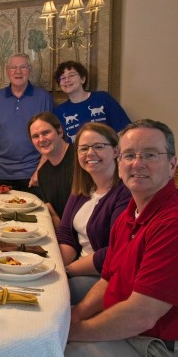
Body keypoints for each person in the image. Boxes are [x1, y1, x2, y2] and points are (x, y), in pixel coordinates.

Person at [65, 119, 178, 357]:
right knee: (41, 347)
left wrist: (73, 333)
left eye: (150, 154)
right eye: (129, 155)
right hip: (138, 339)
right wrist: (76, 316)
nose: (137, 163)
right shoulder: (132, 213)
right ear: (119, 162)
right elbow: (108, 279)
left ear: (172, 165)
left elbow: (141, 315)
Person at [55, 122, 131, 305]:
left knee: (52, 296)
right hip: (77, 266)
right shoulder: (83, 187)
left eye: (98, 146)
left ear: (115, 151)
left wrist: (67, 271)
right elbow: (66, 235)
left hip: (105, 275)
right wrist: (55, 266)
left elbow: (115, 251)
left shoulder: (125, 193)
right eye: (84, 148)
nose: (90, 153)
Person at [0, 53, 53, 192]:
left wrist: (40, 170)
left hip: (33, 174)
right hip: (0, 174)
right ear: (7, 71)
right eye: (13, 67)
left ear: (30, 70)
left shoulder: (43, 97)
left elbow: (50, 138)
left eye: (23, 67)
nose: (18, 71)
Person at [53, 60, 131, 142]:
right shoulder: (59, 112)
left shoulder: (103, 98)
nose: (67, 80)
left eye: (71, 75)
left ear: (83, 79)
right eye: (62, 78)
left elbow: (124, 130)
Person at [28, 112, 74, 227]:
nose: (41, 139)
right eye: (35, 136)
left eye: (46, 133)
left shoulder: (81, 158)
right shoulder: (43, 174)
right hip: (66, 234)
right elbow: (55, 217)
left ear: (60, 131)